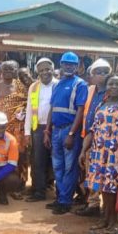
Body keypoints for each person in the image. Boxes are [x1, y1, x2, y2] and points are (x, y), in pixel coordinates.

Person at [80, 75, 118, 230]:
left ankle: (114, 221)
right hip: (99, 153)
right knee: (104, 187)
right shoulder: (101, 104)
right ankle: (105, 219)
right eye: (111, 83)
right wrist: (83, 150)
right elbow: (92, 130)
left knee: (114, 187)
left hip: (116, 153)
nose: (114, 86)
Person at [45, 51, 88, 215]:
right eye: (65, 64)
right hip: (56, 131)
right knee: (58, 166)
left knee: (70, 167)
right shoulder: (57, 84)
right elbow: (52, 108)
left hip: (69, 131)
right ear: (61, 65)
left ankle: (65, 201)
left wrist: (71, 134)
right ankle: (60, 197)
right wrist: (47, 130)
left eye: (72, 64)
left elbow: (80, 110)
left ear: (77, 67)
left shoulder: (80, 84)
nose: (68, 66)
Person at [76, 58, 112, 217]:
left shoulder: (112, 92)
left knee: (104, 173)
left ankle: (107, 207)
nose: (102, 75)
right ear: (92, 75)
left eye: (106, 72)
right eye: (99, 72)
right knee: (90, 172)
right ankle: (93, 203)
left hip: (105, 141)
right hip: (89, 137)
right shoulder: (90, 90)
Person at [0, 60, 30, 194]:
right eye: (5, 69)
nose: (8, 72)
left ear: (16, 70)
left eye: (11, 69)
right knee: (1, 155)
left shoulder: (22, 87)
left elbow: (28, 105)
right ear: (1, 71)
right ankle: (3, 183)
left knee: (20, 156)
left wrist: (22, 111)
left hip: (18, 128)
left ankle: (20, 184)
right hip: (0, 129)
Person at [24, 58, 57, 203]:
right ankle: (39, 191)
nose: (45, 72)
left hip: (56, 128)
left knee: (56, 160)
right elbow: (29, 110)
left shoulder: (58, 85)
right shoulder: (34, 87)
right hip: (38, 128)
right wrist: (27, 132)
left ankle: (58, 193)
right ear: (37, 72)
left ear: (52, 69)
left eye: (47, 69)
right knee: (38, 161)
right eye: (42, 70)